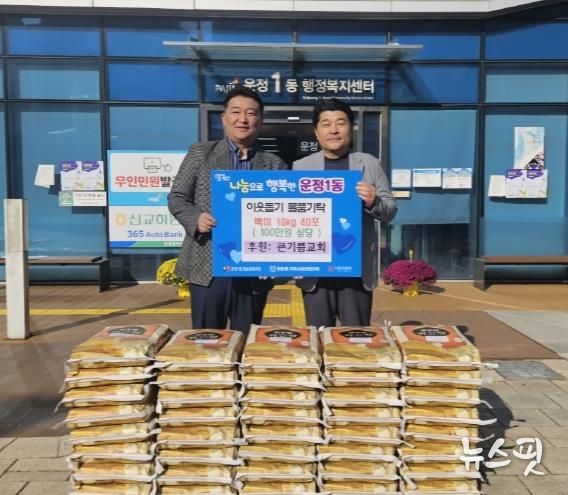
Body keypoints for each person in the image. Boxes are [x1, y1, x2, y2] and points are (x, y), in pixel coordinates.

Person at [168, 86, 286, 333]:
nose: (243, 119)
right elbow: (177, 197)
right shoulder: (201, 153)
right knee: (207, 340)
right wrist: (196, 218)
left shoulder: (275, 164)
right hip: (208, 265)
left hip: (254, 269)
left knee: (247, 340)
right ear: (224, 118)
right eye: (236, 112)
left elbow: (283, 216)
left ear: (260, 120)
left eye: (251, 113)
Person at [293, 98, 397, 327]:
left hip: (356, 268)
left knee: (354, 336)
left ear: (351, 128)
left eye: (340, 123)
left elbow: (390, 211)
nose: (334, 130)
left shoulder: (369, 164)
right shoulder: (300, 167)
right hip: (315, 271)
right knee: (318, 336)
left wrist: (374, 201)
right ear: (316, 132)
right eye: (326, 124)